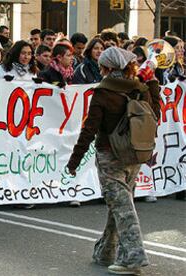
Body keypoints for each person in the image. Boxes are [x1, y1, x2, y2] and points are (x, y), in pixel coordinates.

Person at [66, 47, 160, 275]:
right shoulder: (141, 88)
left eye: (101, 66)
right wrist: (154, 84)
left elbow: (90, 129)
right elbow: (155, 114)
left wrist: (74, 161)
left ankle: (133, 259)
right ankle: (106, 251)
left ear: (107, 68)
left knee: (122, 207)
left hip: (110, 156)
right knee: (119, 205)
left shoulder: (103, 92)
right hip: (135, 155)